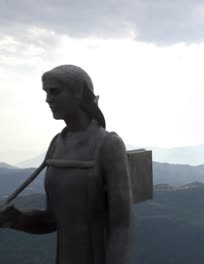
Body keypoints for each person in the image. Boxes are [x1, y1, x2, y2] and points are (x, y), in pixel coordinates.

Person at [0, 65, 133, 264]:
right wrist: (15, 219)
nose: (47, 99)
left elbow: (122, 226)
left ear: (78, 93)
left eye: (55, 91)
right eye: (46, 92)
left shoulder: (108, 145)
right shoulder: (57, 144)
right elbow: (52, 220)